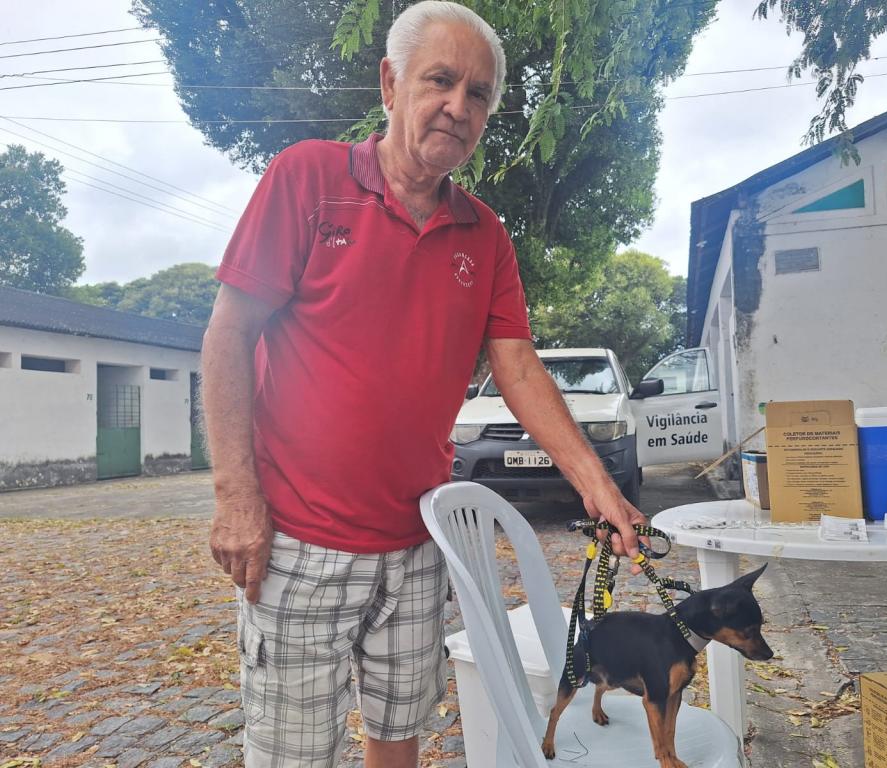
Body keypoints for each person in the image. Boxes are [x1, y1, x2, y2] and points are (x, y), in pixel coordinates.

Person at [201, 2, 646, 766]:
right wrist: (236, 496)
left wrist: (596, 485)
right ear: (390, 84)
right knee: (293, 755)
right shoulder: (308, 178)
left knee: (398, 735)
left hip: (416, 542)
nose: (458, 106)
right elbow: (228, 335)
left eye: (478, 94)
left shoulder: (486, 234)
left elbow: (517, 367)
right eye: (440, 80)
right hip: (299, 539)